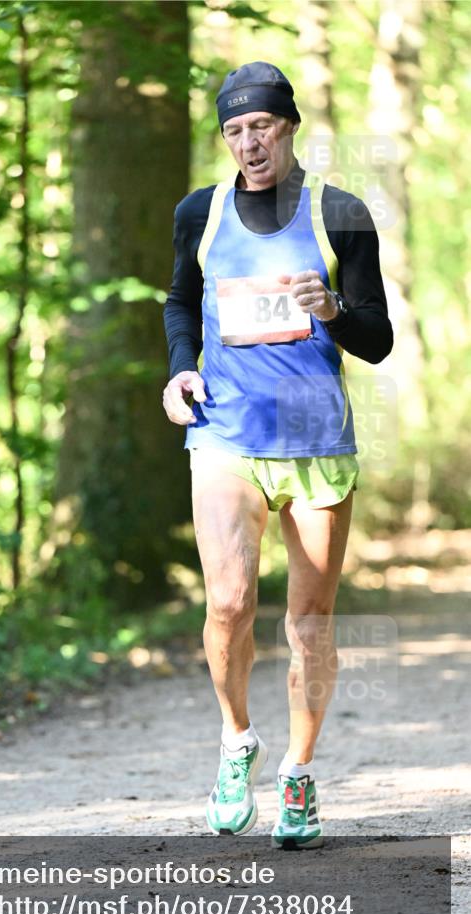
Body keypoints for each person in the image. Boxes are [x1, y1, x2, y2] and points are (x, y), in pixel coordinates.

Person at [162, 62, 393, 847]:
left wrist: (330, 308)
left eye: (259, 125)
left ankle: (297, 772)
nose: (247, 140)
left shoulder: (340, 214)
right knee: (227, 603)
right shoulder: (201, 212)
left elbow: (378, 339)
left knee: (308, 624)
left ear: (287, 126)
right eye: (232, 129)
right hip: (225, 432)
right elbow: (180, 302)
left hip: (317, 441)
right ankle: (236, 741)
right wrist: (179, 370)